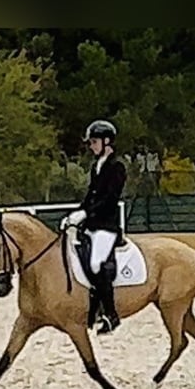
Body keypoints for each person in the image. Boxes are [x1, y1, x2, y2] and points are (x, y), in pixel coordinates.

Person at [61, 119, 127, 334]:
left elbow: (109, 199)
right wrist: (76, 214)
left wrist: (86, 213)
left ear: (107, 141)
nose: (91, 146)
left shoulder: (117, 167)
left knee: (97, 263)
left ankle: (110, 314)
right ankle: (90, 309)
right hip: (91, 223)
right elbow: (91, 195)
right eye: (91, 142)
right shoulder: (95, 166)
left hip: (106, 226)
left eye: (94, 141)